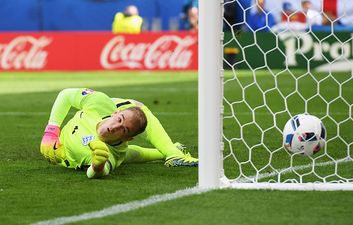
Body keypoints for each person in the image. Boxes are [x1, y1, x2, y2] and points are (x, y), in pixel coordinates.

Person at [40, 88, 198, 179]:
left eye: (123, 129)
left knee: (126, 155)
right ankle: (172, 151)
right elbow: (66, 95)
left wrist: (97, 166)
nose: (115, 127)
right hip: (63, 138)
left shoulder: (108, 153)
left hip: (67, 155)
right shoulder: (100, 103)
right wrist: (51, 131)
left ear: (127, 138)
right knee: (138, 109)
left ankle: (172, 152)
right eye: (119, 119)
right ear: (116, 113)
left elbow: (98, 172)